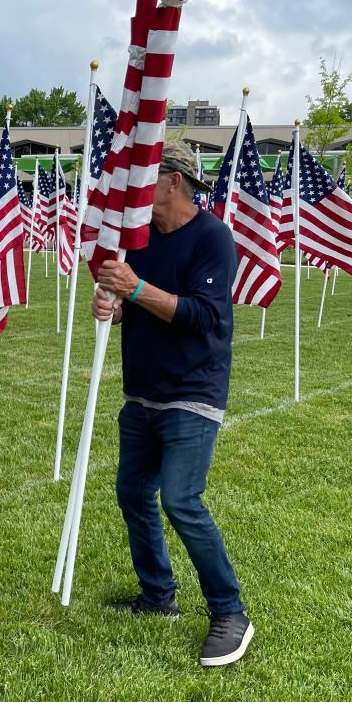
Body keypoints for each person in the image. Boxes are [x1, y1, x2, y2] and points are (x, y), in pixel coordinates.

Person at [91, 142, 254, 668]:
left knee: (181, 499)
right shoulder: (137, 239)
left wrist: (135, 289)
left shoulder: (213, 238)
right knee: (133, 493)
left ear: (174, 181)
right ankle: (157, 595)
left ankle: (230, 612)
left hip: (193, 390)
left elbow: (205, 316)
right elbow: (129, 307)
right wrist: (112, 307)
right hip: (142, 391)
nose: (136, 185)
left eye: (147, 174)